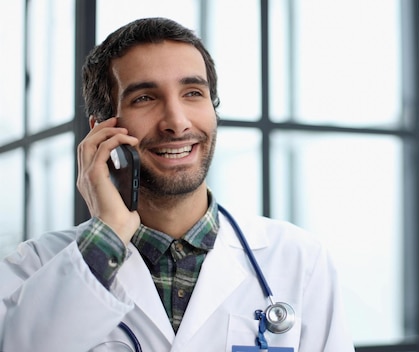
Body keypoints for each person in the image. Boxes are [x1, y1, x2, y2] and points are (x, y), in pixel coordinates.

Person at [0, 17, 354, 351]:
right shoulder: (36, 267)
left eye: (193, 93)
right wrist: (108, 235)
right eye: (145, 98)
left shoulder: (299, 259)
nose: (177, 122)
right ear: (102, 132)